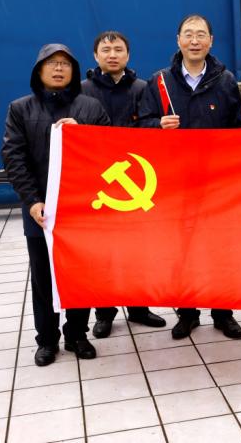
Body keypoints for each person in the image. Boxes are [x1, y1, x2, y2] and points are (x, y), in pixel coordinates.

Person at [138, 14, 241, 340]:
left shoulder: (226, 81)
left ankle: (223, 313)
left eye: (201, 35)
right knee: (181, 250)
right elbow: (139, 126)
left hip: (217, 182)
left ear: (211, 41)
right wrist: (157, 125)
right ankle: (187, 314)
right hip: (175, 183)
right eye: (188, 34)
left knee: (220, 249)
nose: (194, 40)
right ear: (178, 40)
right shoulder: (159, 81)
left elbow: (238, 131)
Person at [1, 43, 109, 366]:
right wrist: (32, 201)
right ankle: (47, 339)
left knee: (81, 274)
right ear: (39, 71)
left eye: (65, 63)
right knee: (43, 277)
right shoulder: (20, 109)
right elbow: (13, 158)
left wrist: (83, 134)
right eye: (52, 63)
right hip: (41, 211)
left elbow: (108, 150)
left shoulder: (90, 107)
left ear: (74, 71)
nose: (59, 68)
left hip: (82, 210)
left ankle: (77, 334)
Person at [81, 30, 167, 338]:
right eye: (106, 50)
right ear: (96, 56)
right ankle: (104, 312)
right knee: (103, 252)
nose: (112, 55)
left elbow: (150, 124)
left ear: (128, 55)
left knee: (137, 248)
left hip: (138, 178)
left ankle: (139, 307)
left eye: (118, 50)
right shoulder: (83, 90)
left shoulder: (143, 88)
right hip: (99, 182)